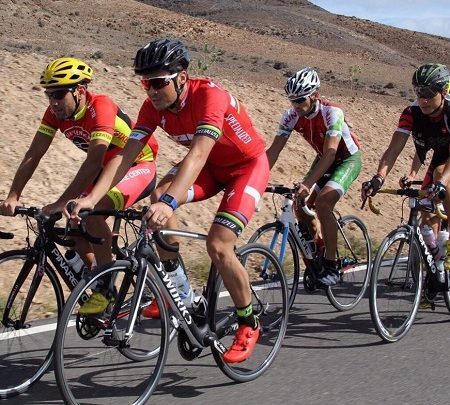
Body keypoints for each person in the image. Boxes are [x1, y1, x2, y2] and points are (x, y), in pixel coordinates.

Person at [69, 38, 270, 363]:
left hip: (246, 167)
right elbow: (123, 158)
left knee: (218, 245)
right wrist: (92, 197)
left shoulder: (209, 96)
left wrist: (170, 204)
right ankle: (180, 289)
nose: (151, 91)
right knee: (157, 196)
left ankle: (249, 321)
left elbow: (198, 154)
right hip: (210, 168)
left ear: (181, 77)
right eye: (146, 83)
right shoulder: (152, 107)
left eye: (158, 82)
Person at [0, 57, 158, 314]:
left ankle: (105, 288)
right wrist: (13, 195)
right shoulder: (55, 113)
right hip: (106, 171)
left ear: (80, 91)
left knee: (93, 214)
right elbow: (34, 154)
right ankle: (100, 275)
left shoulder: (101, 107)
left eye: (59, 94)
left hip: (137, 166)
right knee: (72, 229)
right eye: (49, 95)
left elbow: (95, 160)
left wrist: (61, 201)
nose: (53, 102)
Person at [361, 63, 450, 300]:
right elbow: (394, 149)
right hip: (439, 158)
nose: (423, 99)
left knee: (444, 187)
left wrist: (441, 185)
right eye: (419, 93)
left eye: (429, 94)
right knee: (426, 208)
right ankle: (435, 263)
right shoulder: (411, 113)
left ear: (444, 91)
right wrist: (378, 177)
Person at [266, 67, 362, 286]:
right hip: (323, 159)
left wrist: (308, 183)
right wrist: (255, 177)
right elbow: (274, 150)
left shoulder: (332, 113)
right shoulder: (291, 115)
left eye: (300, 100)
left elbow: (330, 153)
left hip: (346, 159)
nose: (296, 106)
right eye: (292, 101)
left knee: (322, 203)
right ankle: (319, 248)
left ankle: (331, 263)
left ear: (315, 95)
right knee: (299, 206)